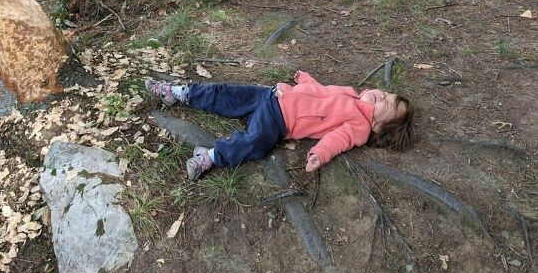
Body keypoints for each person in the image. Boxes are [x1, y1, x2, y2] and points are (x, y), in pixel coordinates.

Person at [145, 71, 414, 180]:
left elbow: (337, 140)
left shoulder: (359, 127)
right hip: (273, 94)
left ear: (378, 126)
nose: (382, 96)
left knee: (255, 142)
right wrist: (306, 79)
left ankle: (211, 156)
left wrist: (320, 154)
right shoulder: (350, 92)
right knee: (226, 93)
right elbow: (320, 91)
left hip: (278, 121)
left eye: (387, 104)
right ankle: (178, 92)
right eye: (386, 93)